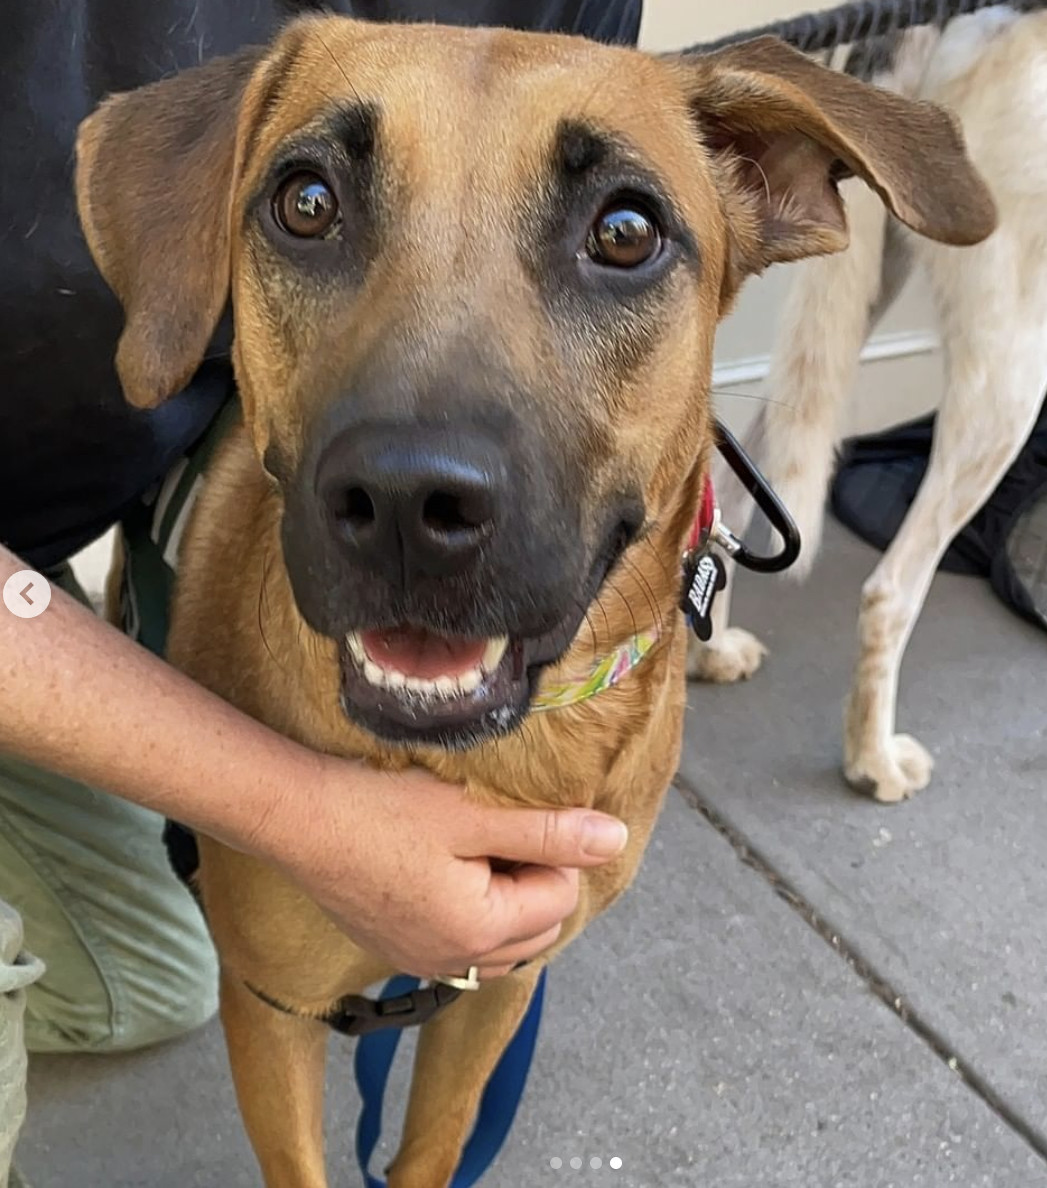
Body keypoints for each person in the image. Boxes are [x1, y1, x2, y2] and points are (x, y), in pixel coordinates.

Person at [0, 1, 642, 1180]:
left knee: (152, 982)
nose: (428, 477)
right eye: (312, 207)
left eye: (621, 234)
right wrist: (291, 808)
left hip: (32, 558)